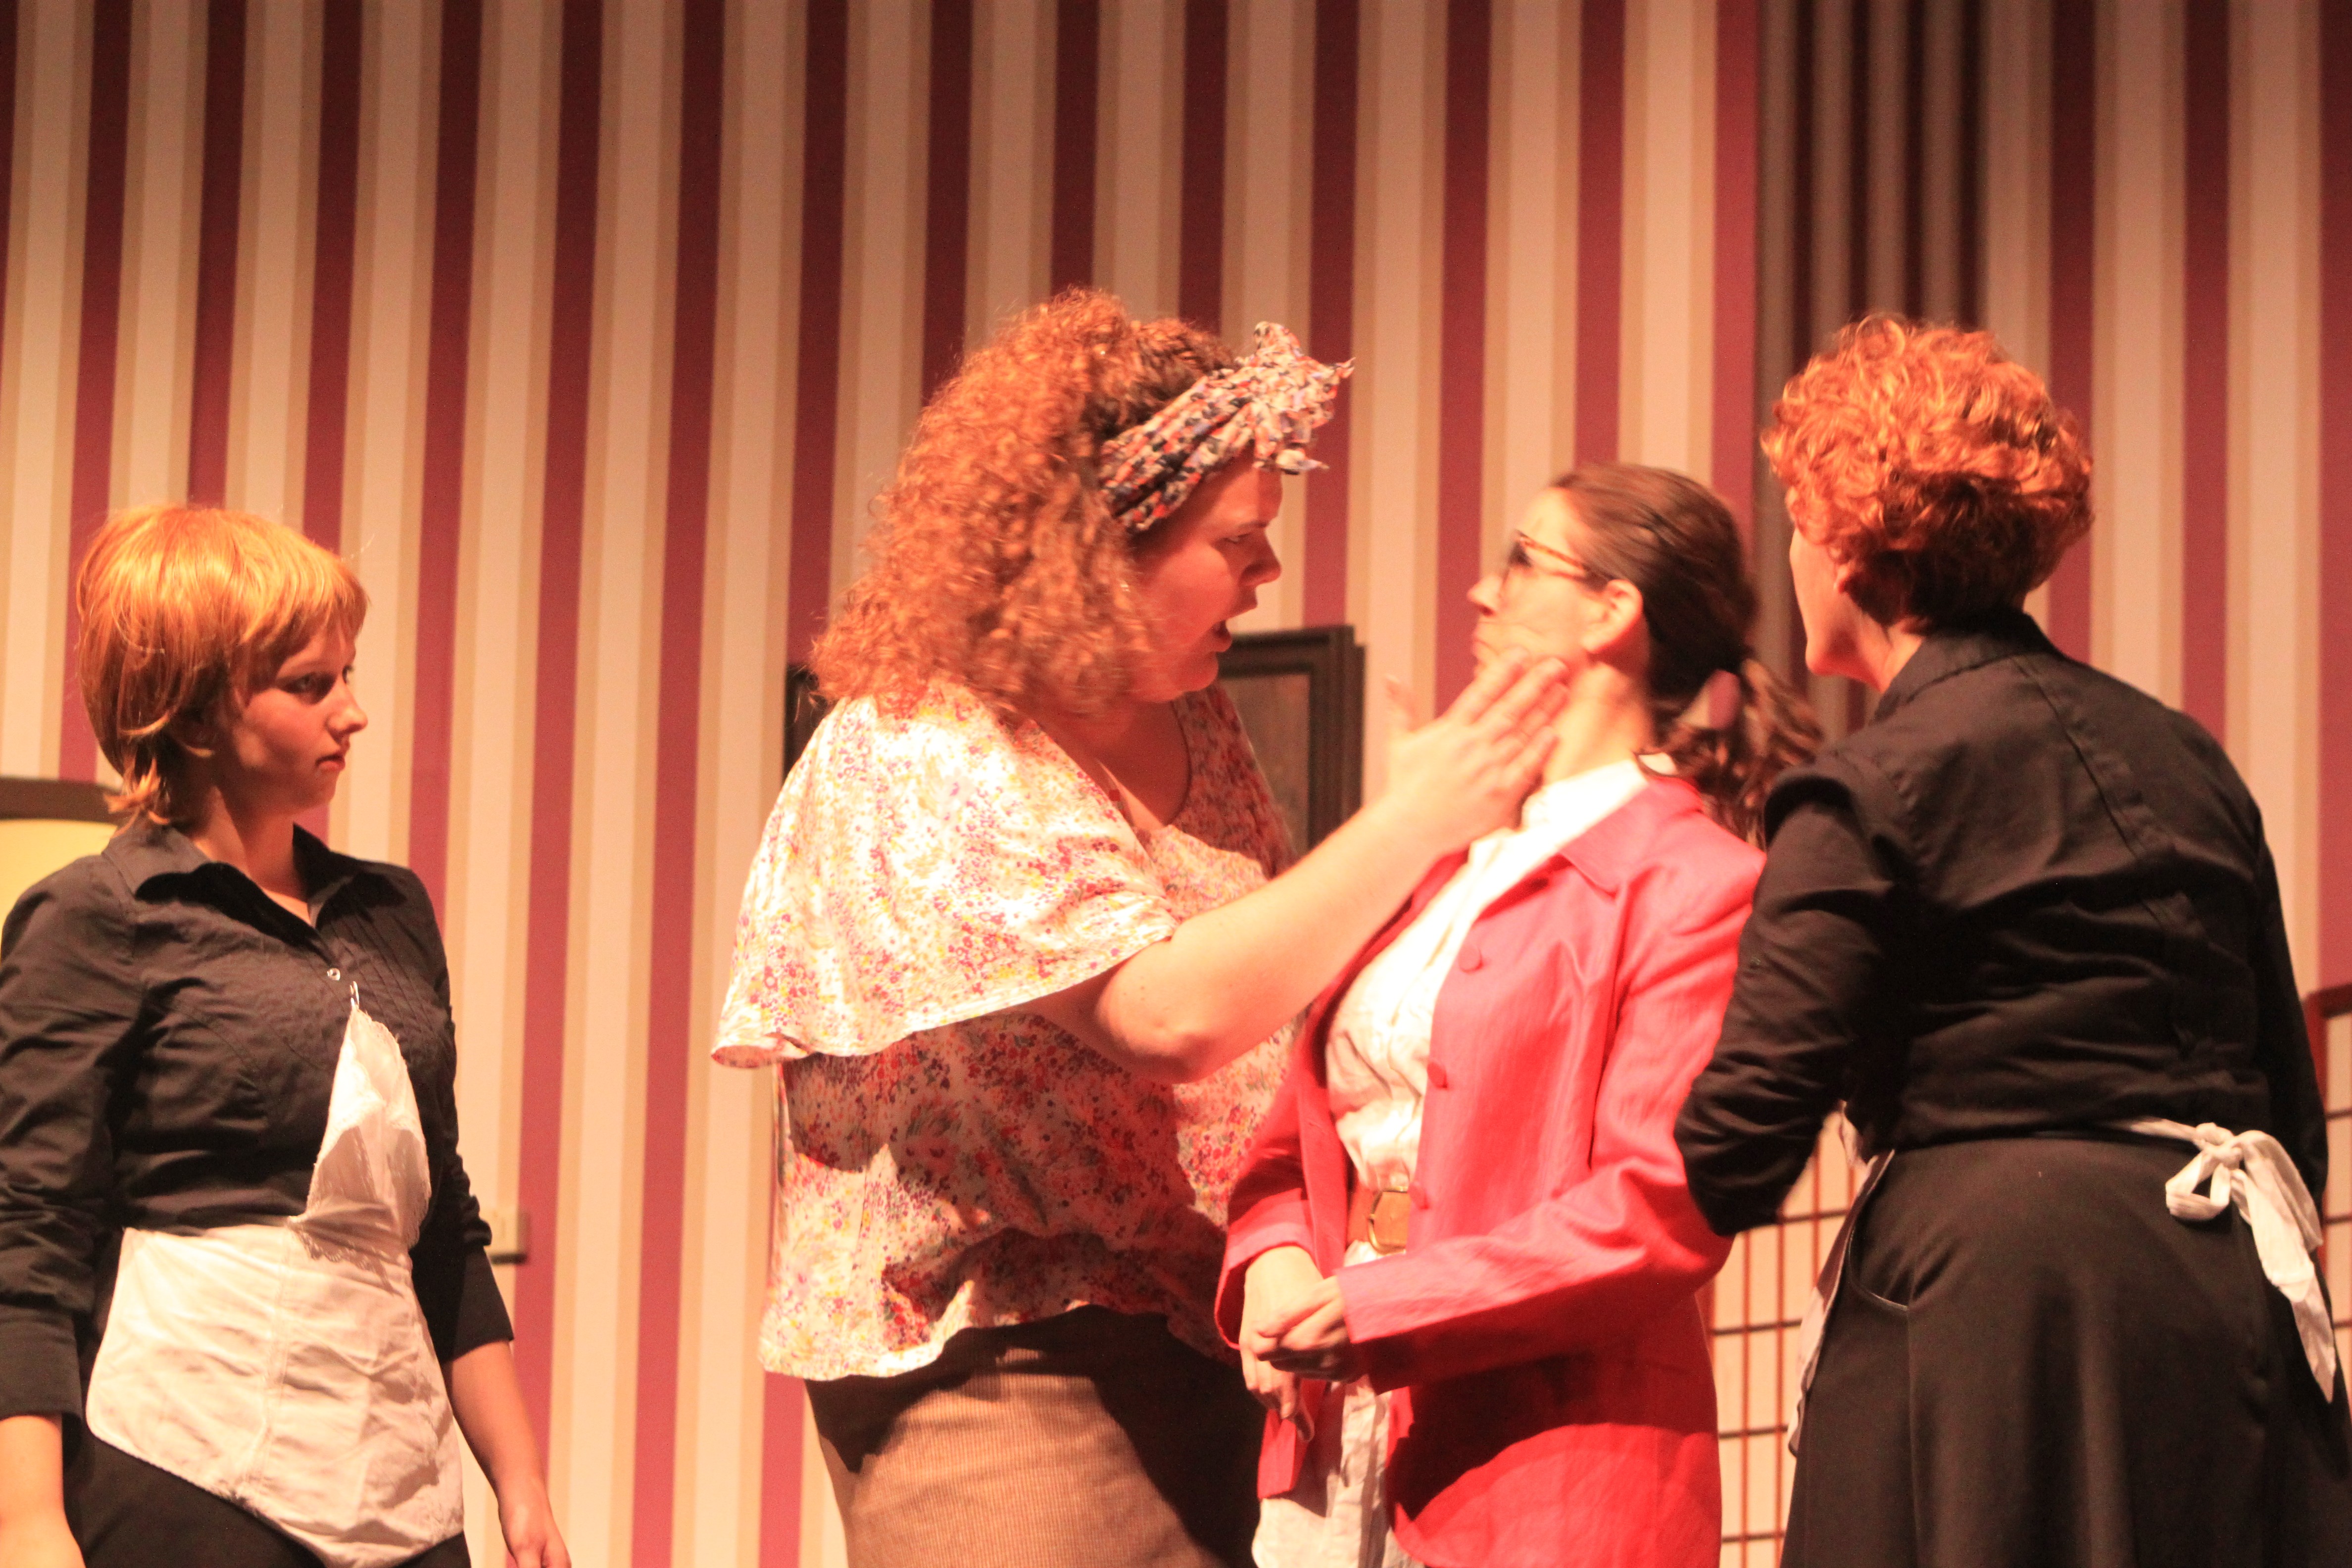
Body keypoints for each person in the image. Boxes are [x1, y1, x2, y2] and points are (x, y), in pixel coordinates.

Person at [712, 290, 1568, 1568]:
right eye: (1238, 541)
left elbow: (1264, 1025)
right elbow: (1164, 1016)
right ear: (1103, 547)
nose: (1268, 573)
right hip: (1004, 1365)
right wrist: (1416, 817)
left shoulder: (1192, 722)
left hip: (1185, 1348)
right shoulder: (929, 741)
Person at [1675, 316, 2352, 1568]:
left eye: (1798, 523)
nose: (1795, 555)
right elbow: (2291, 1108)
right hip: (2225, 1293)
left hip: (1993, 1319)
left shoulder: (1864, 789)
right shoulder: (2187, 757)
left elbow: (1740, 1147)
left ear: (1849, 545)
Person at [1223, 463, 1818, 1568]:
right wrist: (1276, 1262)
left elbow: (1658, 1208)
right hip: (1330, 1453)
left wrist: (1389, 1307)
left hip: (1547, 1477)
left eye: (1521, 560)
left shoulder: (1698, 882)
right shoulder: (1444, 856)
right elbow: (1289, 1150)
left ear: (1611, 610)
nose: (1481, 593)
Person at [0, 506, 566, 1568]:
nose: (354, 712)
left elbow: (441, 1218)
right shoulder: (97, 916)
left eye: (348, 675)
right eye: (311, 685)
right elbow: (32, 1231)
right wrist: (24, 1520)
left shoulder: (390, 911)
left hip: (401, 1487)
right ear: (194, 711)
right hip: (184, 1472)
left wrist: (520, 1478)